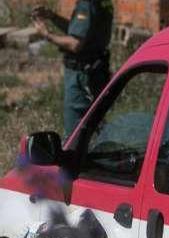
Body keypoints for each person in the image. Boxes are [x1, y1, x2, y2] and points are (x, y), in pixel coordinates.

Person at [31, 1, 113, 137]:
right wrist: (53, 17)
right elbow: (80, 30)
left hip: (82, 76)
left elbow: (75, 43)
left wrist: (46, 34)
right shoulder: (103, 2)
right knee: (96, 125)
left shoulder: (86, 4)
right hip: (96, 72)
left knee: (75, 132)